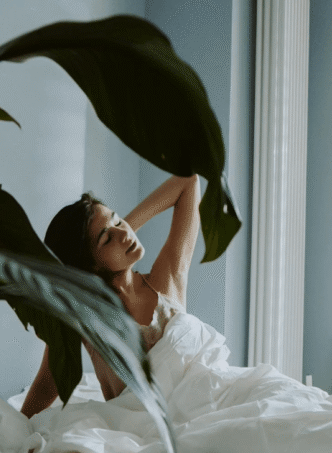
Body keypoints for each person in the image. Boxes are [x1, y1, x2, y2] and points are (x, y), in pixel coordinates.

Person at [20, 174, 201, 418]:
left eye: (118, 220)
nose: (124, 233)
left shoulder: (166, 280)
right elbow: (47, 385)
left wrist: (120, 229)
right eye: (107, 239)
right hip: (138, 430)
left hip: (202, 405)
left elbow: (188, 182)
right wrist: (19, 432)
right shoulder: (86, 320)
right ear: (89, 266)